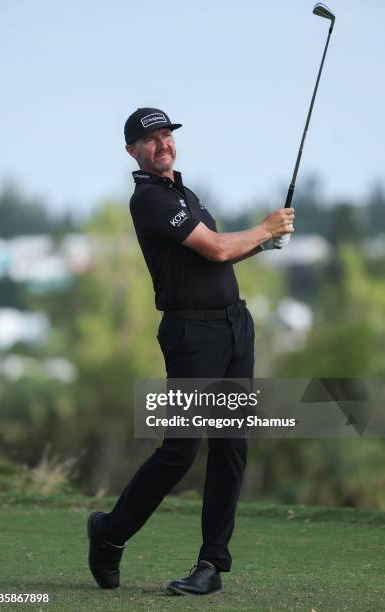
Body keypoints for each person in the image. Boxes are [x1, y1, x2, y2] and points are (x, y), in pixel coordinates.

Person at [88, 107, 294, 596]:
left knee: (231, 447)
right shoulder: (150, 200)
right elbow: (218, 249)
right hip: (192, 335)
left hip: (233, 327)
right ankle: (110, 533)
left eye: (166, 136)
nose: (163, 144)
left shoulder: (185, 192)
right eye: (151, 139)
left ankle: (211, 566)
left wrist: (264, 245)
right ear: (131, 151)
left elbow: (221, 250)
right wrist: (264, 229)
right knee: (180, 451)